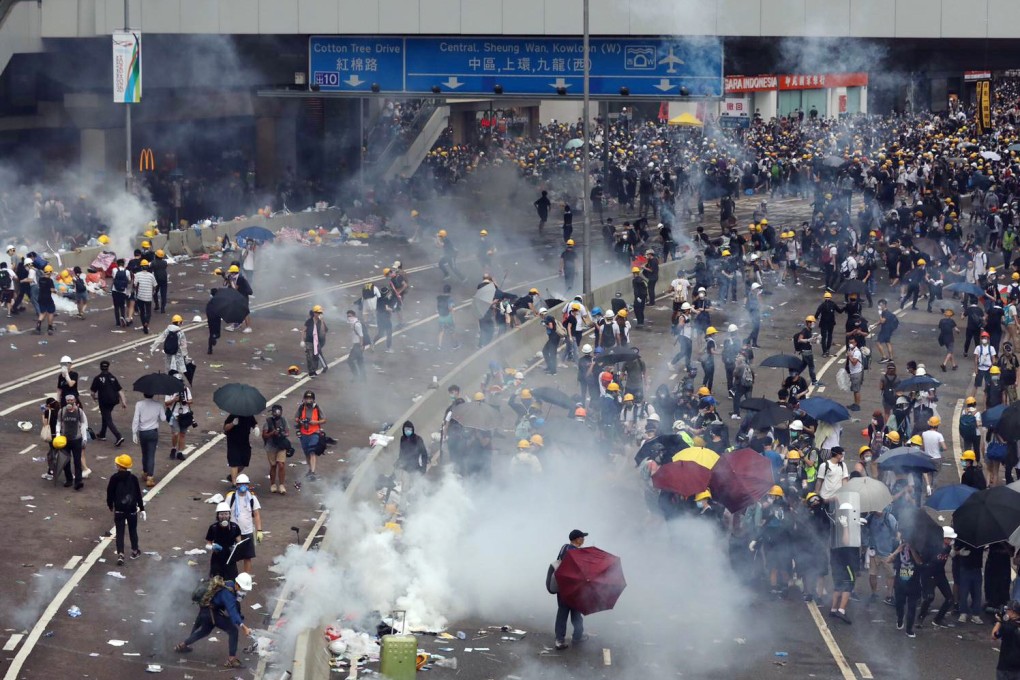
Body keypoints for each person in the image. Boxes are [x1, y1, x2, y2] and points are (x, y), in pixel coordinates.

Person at [175, 572, 253, 669]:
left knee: (204, 631)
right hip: (210, 613)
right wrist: (243, 627)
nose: (244, 592)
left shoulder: (229, 584)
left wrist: (239, 617)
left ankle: (182, 645)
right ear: (237, 584)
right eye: (243, 589)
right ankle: (231, 660)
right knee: (233, 631)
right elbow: (232, 611)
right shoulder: (228, 594)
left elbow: (235, 607)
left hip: (207, 610)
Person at [553, 529, 590, 650]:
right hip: (573, 589)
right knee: (575, 613)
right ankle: (577, 636)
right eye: (582, 537)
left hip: (562, 587)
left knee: (562, 614)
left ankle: (559, 639)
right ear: (577, 539)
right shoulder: (576, 553)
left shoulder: (564, 548)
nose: (584, 539)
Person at [106, 454, 144, 565]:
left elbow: (110, 493)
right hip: (132, 509)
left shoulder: (114, 478)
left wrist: (110, 505)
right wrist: (141, 508)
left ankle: (120, 554)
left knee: (120, 531)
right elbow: (138, 494)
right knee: (133, 530)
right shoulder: (133, 478)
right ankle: (135, 550)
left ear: (119, 466)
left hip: (119, 509)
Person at [225, 474, 263, 574]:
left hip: (247, 531)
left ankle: (246, 577)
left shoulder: (252, 498)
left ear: (248, 485)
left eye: (245, 484)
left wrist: (259, 530)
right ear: (237, 485)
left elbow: (256, 514)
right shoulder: (231, 497)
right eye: (241, 484)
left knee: (247, 556)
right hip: (233, 532)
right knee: (231, 556)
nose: (243, 486)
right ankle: (231, 576)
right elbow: (225, 513)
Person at [888, 540, 924, 638]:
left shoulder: (918, 546)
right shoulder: (897, 545)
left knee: (912, 607)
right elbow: (888, 560)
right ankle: (900, 619)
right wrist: (897, 551)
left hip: (914, 583)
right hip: (900, 583)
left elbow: (920, 562)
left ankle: (909, 629)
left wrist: (912, 549)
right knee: (899, 604)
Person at [54, 394, 89, 490]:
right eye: (68, 400)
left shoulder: (79, 411)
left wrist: (84, 438)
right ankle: (69, 479)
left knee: (77, 461)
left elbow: (83, 425)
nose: (70, 402)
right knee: (66, 461)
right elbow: (58, 423)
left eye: (71, 400)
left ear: (75, 400)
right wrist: (58, 435)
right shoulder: (62, 411)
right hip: (65, 440)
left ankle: (78, 481)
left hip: (77, 439)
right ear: (65, 401)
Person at [132, 393, 166, 487]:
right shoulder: (158, 404)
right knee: (151, 454)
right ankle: (150, 477)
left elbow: (136, 419)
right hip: (153, 432)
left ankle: (145, 472)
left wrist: (134, 432)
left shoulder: (139, 404)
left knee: (144, 453)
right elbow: (163, 418)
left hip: (143, 432)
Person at [89, 360, 126, 447]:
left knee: (108, 419)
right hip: (113, 401)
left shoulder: (98, 378)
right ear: (108, 367)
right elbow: (119, 390)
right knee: (105, 415)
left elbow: (92, 392)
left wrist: (94, 398)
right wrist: (123, 401)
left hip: (104, 401)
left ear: (100, 368)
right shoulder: (112, 377)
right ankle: (102, 434)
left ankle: (118, 436)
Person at [206, 502, 243, 581]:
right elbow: (208, 544)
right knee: (216, 582)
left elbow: (240, 543)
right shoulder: (213, 527)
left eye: (226, 514)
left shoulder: (234, 527)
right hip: (217, 558)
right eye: (221, 514)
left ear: (229, 515)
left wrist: (236, 548)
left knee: (231, 581)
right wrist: (212, 546)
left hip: (230, 557)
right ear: (217, 515)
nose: (224, 517)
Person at [262, 403, 292, 494]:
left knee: (281, 464)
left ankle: (282, 485)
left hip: (281, 445)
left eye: (279, 412)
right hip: (271, 446)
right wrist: (272, 433)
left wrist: (283, 433)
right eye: (275, 412)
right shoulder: (268, 422)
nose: (277, 414)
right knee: (273, 466)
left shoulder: (284, 421)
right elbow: (264, 435)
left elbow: (287, 432)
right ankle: (273, 484)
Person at [294, 390, 325, 479]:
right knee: (307, 453)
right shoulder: (301, 407)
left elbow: (324, 420)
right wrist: (300, 421)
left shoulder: (317, 408)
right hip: (304, 433)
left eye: (310, 399)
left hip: (314, 433)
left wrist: (315, 422)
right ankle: (310, 469)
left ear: (313, 400)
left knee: (312, 451)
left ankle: (313, 471)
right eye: (307, 398)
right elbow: (296, 418)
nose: (308, 401)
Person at [165, 372, 193, 461]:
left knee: (183, 434)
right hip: (174, 415)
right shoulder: (169, 390)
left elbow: (191, 401)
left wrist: (185, 401)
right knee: (175, 433)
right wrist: (174, 399)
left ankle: (180, 452)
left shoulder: (185, 389)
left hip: (184, 414)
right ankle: (173, 448)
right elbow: (166, 403)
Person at [397, 420, 428, 496]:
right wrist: (398, 462)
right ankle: (405, 505)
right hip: (406, 468)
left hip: (416, 468)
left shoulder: (418, 440)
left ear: (412, 430)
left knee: (416, 487)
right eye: (406, 430)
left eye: (409, 429)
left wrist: (423, 468)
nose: (407, 431)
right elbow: (401, 453)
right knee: (405, 488)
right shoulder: (402, 439)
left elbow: (424, 454)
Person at [224, 412, 257, 485]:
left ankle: (232, 476)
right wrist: (233, 423)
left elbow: (254, 423)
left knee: (244, 462)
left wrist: (256, 428)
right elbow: (225, 427)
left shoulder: (249, 415)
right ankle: (234, 484)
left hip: (244, 443)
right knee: (234, 462)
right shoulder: (233, 415)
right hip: (233, 442)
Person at [993, 600, 1020, 680]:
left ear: (1012, 611)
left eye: (1007, 610)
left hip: (1005, 666)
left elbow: (994, 635)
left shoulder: (1007, 627)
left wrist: (999, 622)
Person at [303, 305, 328, 377]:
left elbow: (324, 331)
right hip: (309, 341)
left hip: (317, 341)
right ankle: (311, 371)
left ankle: (315, 369)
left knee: (316, 355)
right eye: (317, 313)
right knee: (310, 356)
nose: (319, 314)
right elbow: (304, 331)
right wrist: (303, 340)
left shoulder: (321, 322)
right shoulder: (309, 321)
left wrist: (322, 321)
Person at [133, 259, 157, 334]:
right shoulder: (151, 275)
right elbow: (155, 285)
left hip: (140, 296)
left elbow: (135, 285)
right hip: (148, 296)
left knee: (142, 312)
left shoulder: (137, 274)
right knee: (148, 312)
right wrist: (152, 291)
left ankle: (144, 326)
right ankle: (147, 322)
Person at [874, 299, 898, 363]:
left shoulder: (885, 313)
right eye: (879, 305)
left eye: (881, 305)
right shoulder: (886, 312)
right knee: (888, 342)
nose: (879, 306)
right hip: (889, 330)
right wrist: (875, 325)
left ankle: (884, 357)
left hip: (885, 330)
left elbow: (882, 321)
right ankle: (891, 358)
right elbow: (882, 321)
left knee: (878, 342)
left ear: (884, 305)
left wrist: (879, 314)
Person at [436, 284, 459, 350]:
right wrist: (454, 318)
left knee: (441, 332)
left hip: (441, 317)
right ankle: (455, 345)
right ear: (450, 291)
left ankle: (439, 346)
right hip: (448, 317)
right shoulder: (450, 298)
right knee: (452, 331)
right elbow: (450, 308)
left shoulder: (439, 297)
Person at [346, 309, 367, 381]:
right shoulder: (354, 323)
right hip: (357, 345)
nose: (349, 318)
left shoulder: (357, 324)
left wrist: (361, 346)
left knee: (350, 360)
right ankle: (363, 378)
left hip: (358, 345)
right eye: (348, 316)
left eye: (350, 316)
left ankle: (357, 376)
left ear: (354, 316)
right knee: (360, 362)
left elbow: (361, 335)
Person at [35, 264, 55, 335]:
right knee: (50, 312)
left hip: (40, 298)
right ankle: (50, 327)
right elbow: (52, 290)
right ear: (50, 272)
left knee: (42, 313)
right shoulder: (50, 281)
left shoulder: (40, 279)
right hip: (48, 298)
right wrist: (55, 291)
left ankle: (38, 326)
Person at [846, 337, 864, 411]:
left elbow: (854, 362)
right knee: (854, 389)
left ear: (855, 343)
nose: (851, 344)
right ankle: (855, 403)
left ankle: (857, 405)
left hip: (856, 373)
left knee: (857, 390)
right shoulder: (850, 349)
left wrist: (849, 355)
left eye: (852, 342)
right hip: (852, 372)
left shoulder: (857, 352)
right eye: (850, 342)